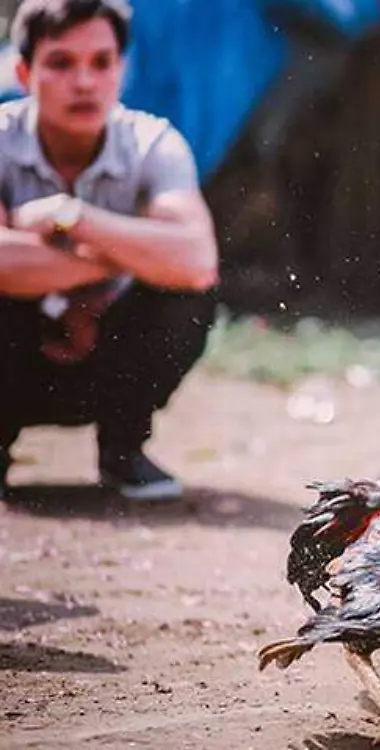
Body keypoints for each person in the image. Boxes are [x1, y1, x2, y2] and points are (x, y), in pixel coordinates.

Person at [0, 0, 219, 502]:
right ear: (23, 70)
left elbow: (197, 262)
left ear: (122, 69)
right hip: (18, 356)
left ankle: (123, 447)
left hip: (108, 358)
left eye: (101, 63)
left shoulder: (152, 143)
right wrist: (123, 254)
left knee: (187, 298)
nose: (84, 82)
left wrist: (70, 217)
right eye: (61, 63)